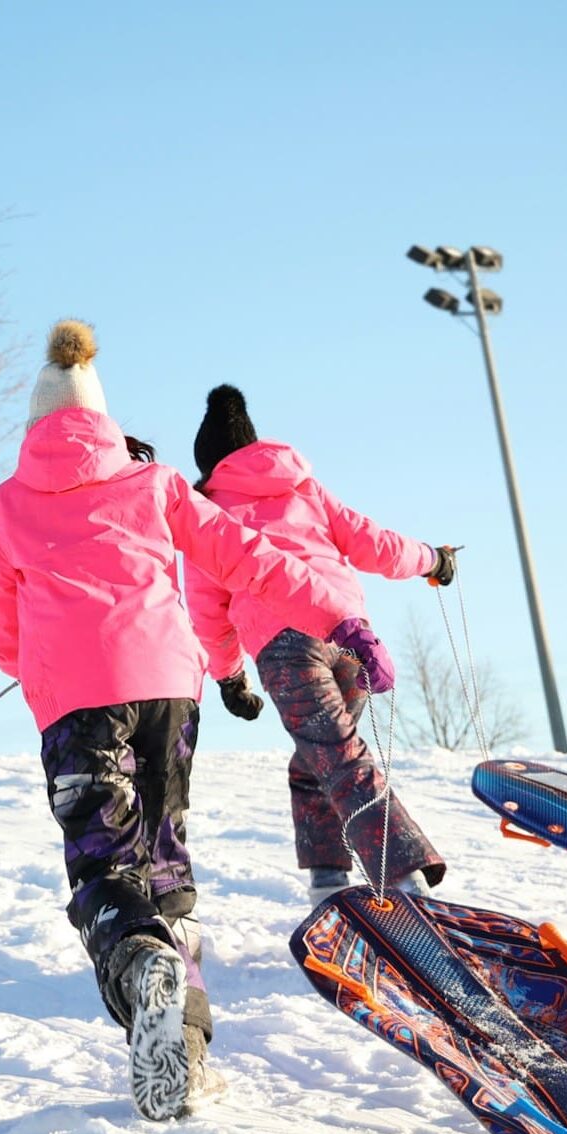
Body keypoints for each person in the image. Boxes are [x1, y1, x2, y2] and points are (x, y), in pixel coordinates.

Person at [0, 324, 390, 1122]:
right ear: (103, 420)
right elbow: (247, 558)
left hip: (75, 703)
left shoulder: (9, 501)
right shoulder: (156, 483)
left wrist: (35, 672)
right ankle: (186, 1052)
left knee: (106, 872)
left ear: (35, 429)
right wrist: (341, 617)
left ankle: (139, 971)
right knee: (165, 872)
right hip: (168, 690)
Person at [184, 384, 457, 905]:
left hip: (285, 646)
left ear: (210, 464)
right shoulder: (305, 488)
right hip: (347, 636)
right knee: (318, 759)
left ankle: (407, 878)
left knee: (336, 757)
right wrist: (433, 559)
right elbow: (374, 543)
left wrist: (229, 677)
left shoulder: (210, 514)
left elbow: (207, 608)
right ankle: (329, 876)